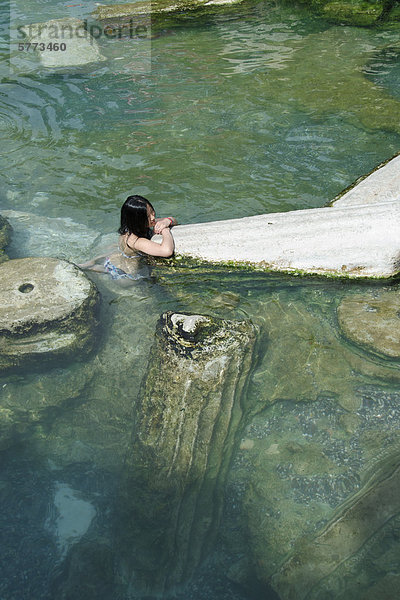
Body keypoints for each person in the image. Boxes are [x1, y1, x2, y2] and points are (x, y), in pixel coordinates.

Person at [79, 195, 177, 280]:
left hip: (115, 259)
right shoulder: (136, 241)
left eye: (152, 211)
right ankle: (94, 267)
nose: (152, 218)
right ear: (137, 220)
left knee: (115, 258)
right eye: (147, 216)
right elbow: (166, 251)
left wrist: (167, 221)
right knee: (134, 282)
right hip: (126, 276)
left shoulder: (129, 229)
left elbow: (173, 219)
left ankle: (92, 264)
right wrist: (166, 230)